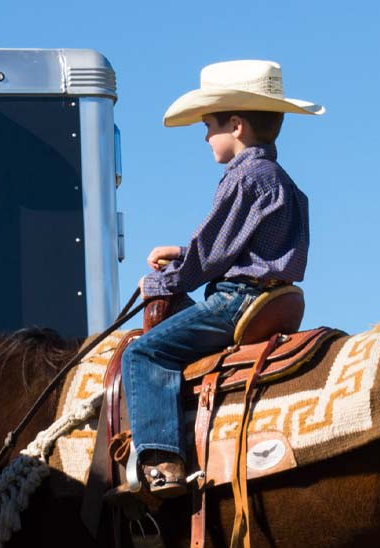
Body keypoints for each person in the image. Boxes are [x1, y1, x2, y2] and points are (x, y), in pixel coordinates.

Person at [113, 59, 320, 502]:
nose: (206, 137)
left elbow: (211, 254)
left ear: (237, 125)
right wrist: (182, 255)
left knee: (144, 354)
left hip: (236, 301)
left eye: (209, 126)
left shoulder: (243, 177)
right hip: (270, 295)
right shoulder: (282, 181)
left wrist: (163, 282)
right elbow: (241, 248)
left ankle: (161, 461)